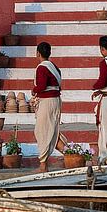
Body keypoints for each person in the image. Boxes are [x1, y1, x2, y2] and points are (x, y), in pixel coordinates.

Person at [31, 41, 61, 172]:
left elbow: (42, 86)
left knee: (41, 131)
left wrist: (34, 90)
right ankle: (45, 163)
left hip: (47, 101)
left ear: (38, 53)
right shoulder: (54, 66)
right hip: (56, 100)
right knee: (50, 130)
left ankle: (43, 165)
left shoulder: (42, 67)